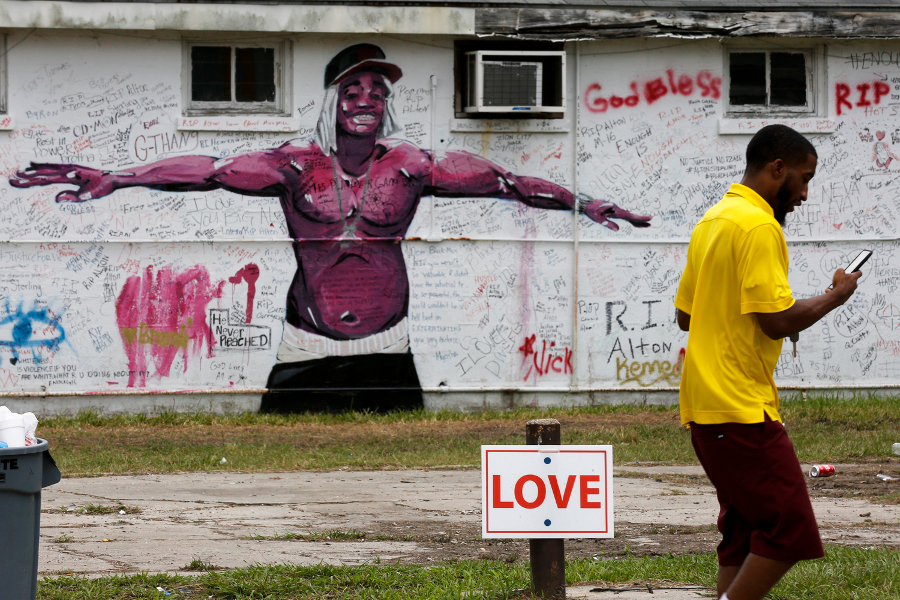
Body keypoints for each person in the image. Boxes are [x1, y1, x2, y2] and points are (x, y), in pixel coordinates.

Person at [11, 43, 652, 413]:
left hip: (389, 351)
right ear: (330, 100)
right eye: (353, 88)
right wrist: (118, 179)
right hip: (306, 349)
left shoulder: (412, 166)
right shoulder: (293, 166)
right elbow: (207, 170)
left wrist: (585, 203)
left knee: (400, 482)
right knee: (278, 481)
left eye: (377, 88)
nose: (367, 97)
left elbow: (507, 182)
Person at [674, 124, 861, 600]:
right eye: (804, 177)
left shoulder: (713, 220)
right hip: (739, 407)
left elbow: (684, 315)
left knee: (743, 528)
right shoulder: (759, 226)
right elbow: (775, 321)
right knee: (791, 526)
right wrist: (836, 295)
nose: (804, 192)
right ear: (778, 168)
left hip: (704, 405)